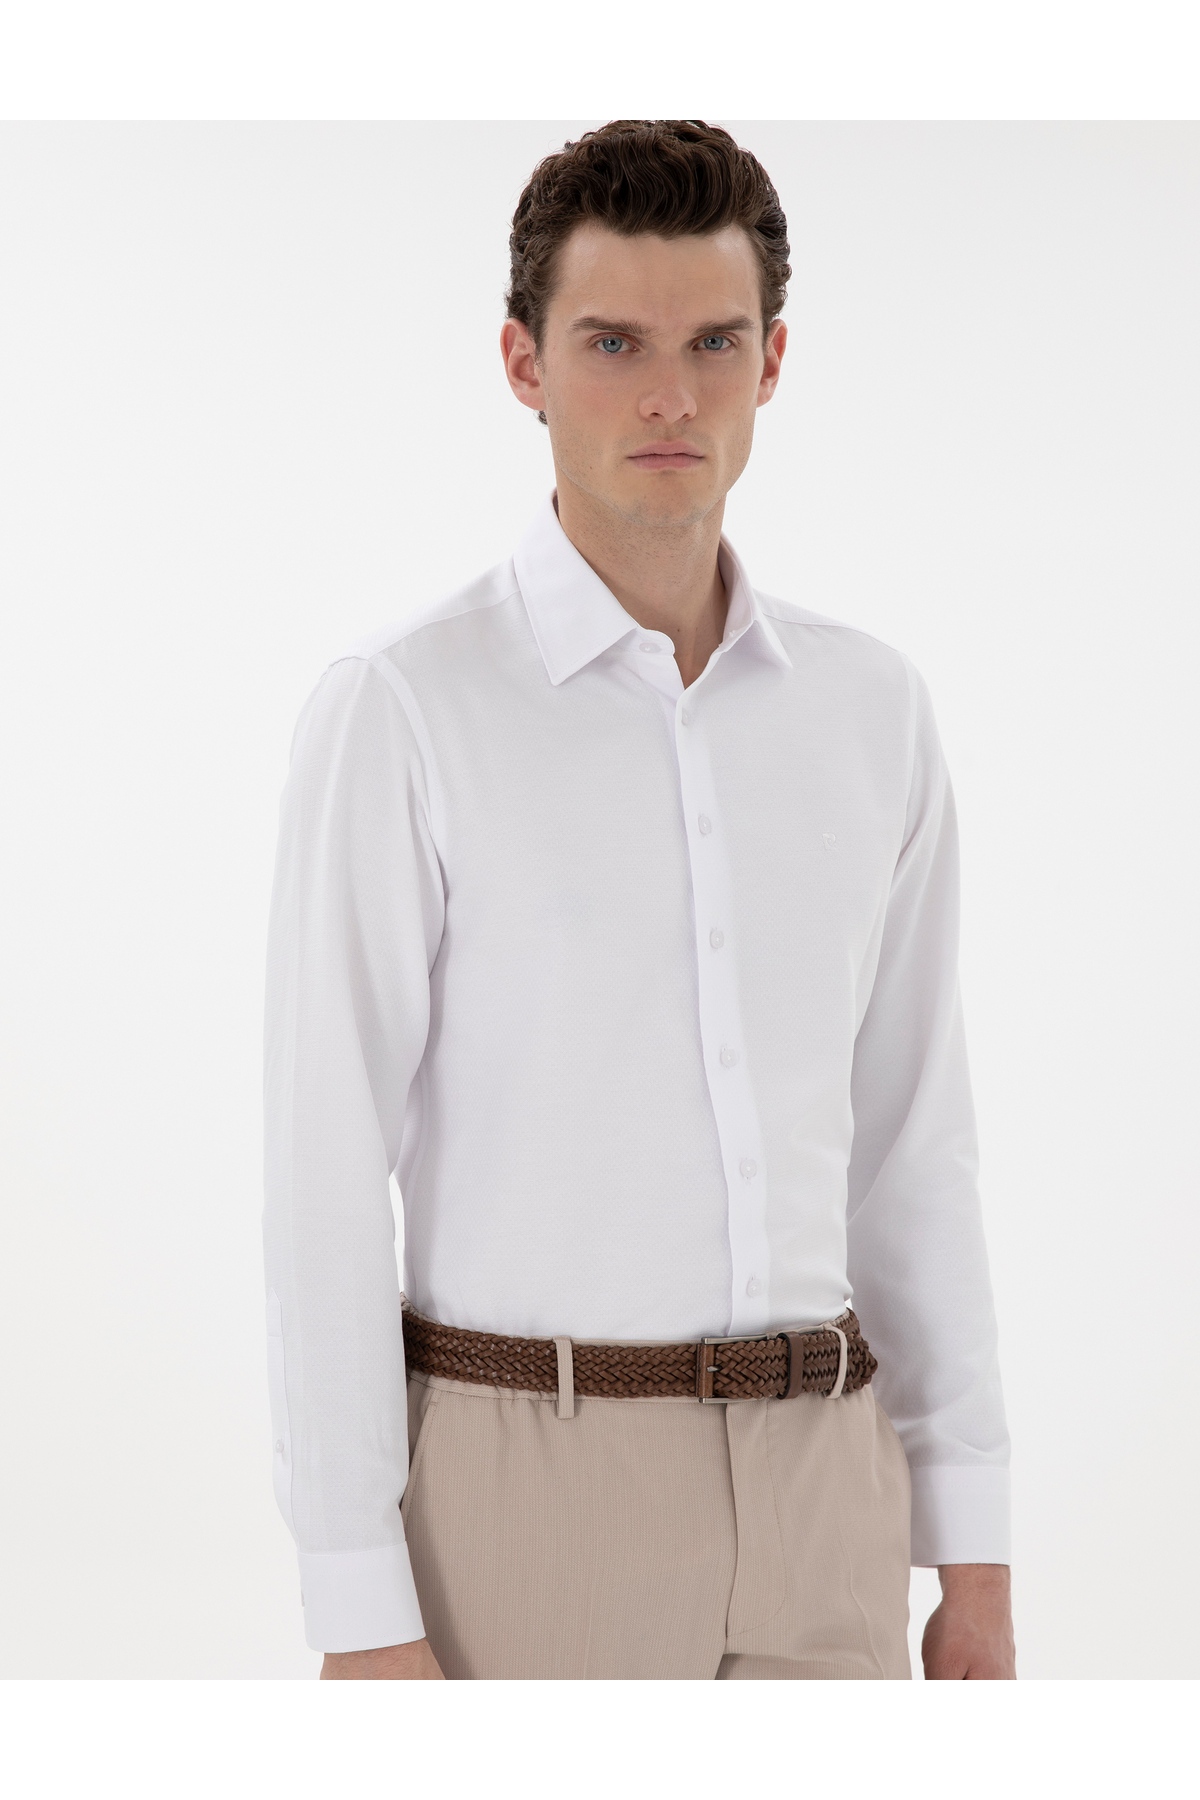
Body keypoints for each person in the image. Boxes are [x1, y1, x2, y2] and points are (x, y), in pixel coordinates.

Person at [263, 119, 1015, 1680]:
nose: (671, 394)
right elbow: (325, 1173)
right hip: (527, 1481)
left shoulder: (872, 712)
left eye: (712, 342)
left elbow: (914, 1142)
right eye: (612, 343)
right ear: (523, 365)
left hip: (826, 1483)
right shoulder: (405, 710)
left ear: (773, 361)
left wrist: (975, 1544)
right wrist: (357, 1604)